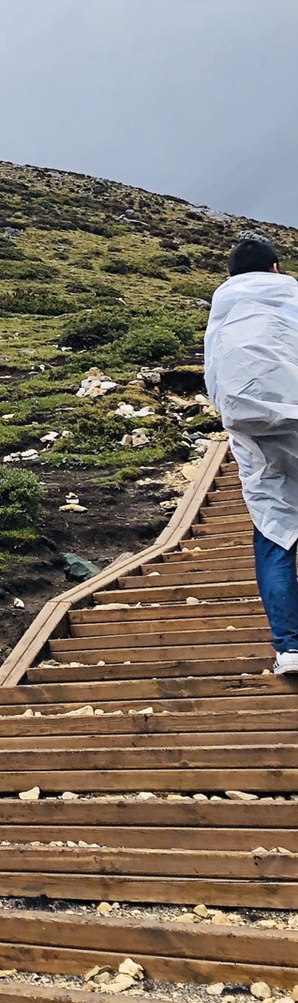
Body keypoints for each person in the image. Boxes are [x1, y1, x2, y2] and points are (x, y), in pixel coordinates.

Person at [204, 233, 298, 676]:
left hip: (250, 425)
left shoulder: (223, 309)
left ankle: (291, 648)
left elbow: (212, 378)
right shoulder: (291, 292)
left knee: (273, 529)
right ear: (274, 267)